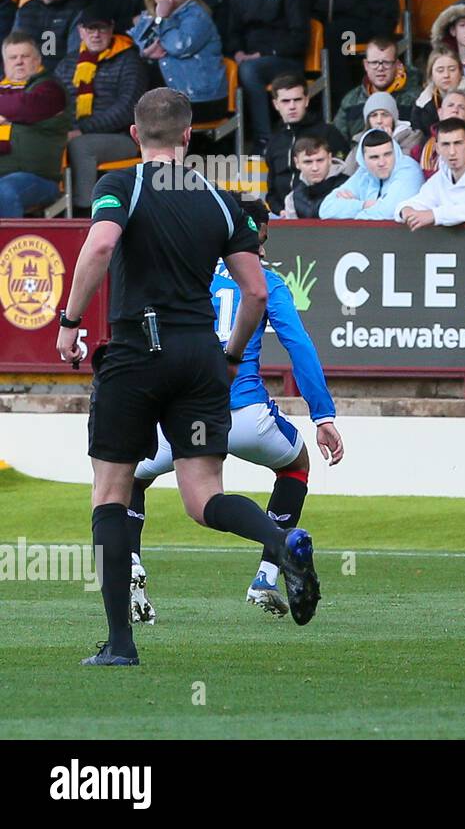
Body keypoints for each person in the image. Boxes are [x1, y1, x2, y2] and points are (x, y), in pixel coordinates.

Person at [56, 87, 320, 666]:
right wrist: (228, 357)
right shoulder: (222, 199)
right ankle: (281, 543)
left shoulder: (119, 186)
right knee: (204, 498)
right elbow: (255, 291)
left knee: (111, 493)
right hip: (200, 357)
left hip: (134, 352)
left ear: (133, 135)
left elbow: (100, 245)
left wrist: (70, 320)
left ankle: (120, 646)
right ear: (188, 134)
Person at [129, 199, 344, 621]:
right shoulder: (266, 282)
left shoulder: (185, 273)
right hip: (246, 415)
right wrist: (324, 416)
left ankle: (131, 564)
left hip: (182, 416)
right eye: (261, 237)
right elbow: (299, 346)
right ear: (254, 236)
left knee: (131, 476)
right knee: (295, 464)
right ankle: (266, 574)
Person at [54, 0, 148, 213]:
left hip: (124, 138)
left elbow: (127, 110)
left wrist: (81, 131)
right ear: (80, 31)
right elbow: (54, 103)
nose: (96, 34)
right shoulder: (68, 64)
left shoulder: (129, 60)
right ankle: (51, 204)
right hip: (72, 132)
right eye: (90, 29)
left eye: (102, 28)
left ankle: (83, 211)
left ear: (112, 28)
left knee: (80, 146)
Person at [227, 0, 309, 148]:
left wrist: (262, 54)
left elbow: (299, 36)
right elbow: (232, 31)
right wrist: (238, 52)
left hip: (284, 60)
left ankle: (264, 139)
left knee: (249, 70)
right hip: (250, 60)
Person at [129, 0, 228, 122]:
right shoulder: (150, 18)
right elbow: (136, 45)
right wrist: (145, 53)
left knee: (148, 118)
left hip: (200, 99)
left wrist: (164, 19)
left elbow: (180, 46)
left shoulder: (197, 16)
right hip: (169, 98)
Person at [0, 31, 71, 217]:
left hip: (37, 179)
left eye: (25, 56)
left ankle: (6, 247)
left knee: (4, 191)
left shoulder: (51, 89)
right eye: (13, 57)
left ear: (37, 60)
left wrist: (9, 114)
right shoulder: (3, 91)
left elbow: (25, 106)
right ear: (5, 64)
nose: (19, 61)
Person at [262, 72, 348, 215]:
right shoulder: (274, 142)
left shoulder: (329, 133)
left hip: (320, 216)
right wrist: (281, 210)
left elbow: (342, 178)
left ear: (306, 100)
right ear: (276, 104)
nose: (292, 106)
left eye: (297, 100)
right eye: (285, 101)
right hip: (282, 217)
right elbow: (272, 191)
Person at [332, 37, 420, 141]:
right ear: (366, 65)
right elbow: (337, 142)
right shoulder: (351, 101)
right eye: (374, 63)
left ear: (397, 65)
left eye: (386, 62)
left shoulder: (415, 99)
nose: (380, 68)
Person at [339, 91, 421, 174]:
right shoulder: (360, 141)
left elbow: (400, 170)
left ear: (393, 118)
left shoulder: (409, 138)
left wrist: (389, 142)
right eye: (374, 115)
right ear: (368, 120)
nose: (379, 121)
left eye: (385, 115)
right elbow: (347, 174)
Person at [284, 134, 347, 219]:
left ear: (329, 158)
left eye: (320, 160)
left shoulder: (350, 186)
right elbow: (292, 232)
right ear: (297, 163)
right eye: (308, 162)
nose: (315, 168)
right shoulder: (292, 199)